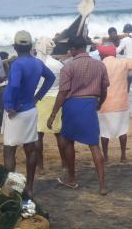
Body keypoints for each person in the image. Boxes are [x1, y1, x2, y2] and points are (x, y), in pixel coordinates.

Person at [47, 36, 109, 195]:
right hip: (89, 105)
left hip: (72, 105)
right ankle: (102, 185)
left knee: (68, 142)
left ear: (74, 49)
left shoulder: (68, 67)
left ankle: (72, 178)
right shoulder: (100, 65)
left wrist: (53, 114)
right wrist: (100, 103)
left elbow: (63, 92)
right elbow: (104, 89)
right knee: (94, 145)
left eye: (70, 50)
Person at [3, 30, 55, 201]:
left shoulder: (17, 64)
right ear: (31, 46)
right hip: (30, 109)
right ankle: (30, 187)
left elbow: (15, 86)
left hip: (17, 112)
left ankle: (11, 189)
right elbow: (51, 78)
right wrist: (38, 96)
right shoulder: (37, 63)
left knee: (10, 150)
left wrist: (11, 106)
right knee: (30, 149)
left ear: (15, 46)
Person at [33, 37, 66, 174]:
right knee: (59, 134)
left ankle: (40, 167)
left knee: (38, 135)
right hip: (56, 100)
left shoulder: (36, 63)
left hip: (38, 99)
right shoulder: (58, 64)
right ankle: (64, 163)